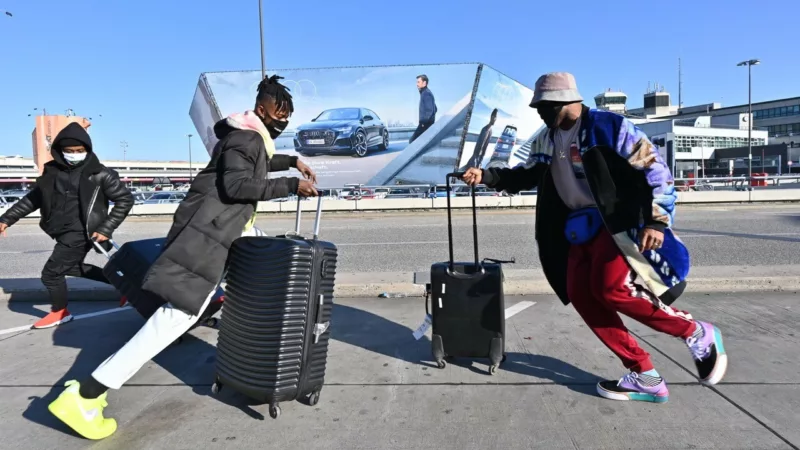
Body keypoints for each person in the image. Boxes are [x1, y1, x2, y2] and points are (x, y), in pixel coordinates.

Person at [47, 74, 319, 440]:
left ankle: (83, 392)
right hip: (204, 241)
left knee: (182, 313)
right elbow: (237, 185)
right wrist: (291, 184)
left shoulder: (246, 137)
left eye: (287, 114)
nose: (283, 121)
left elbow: (255, 164)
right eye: (278, 113)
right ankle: (88, 393)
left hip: (211, 235)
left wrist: (292, 161)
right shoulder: (247, 138)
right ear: (261, 110)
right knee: (170, 321)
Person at [461, 72, 727, 404]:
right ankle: (643, 373)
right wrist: (487, 176)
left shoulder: (609, 127)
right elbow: (528, 174)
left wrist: (656, 222)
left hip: (615, 226)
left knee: (611, 290)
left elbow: (656, 170)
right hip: (577, 228)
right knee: (581, 295)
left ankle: (695, 332)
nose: (541, 115)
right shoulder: (547, 138)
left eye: (545, 107)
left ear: (566, 101)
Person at [0, 123, 134, 329]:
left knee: (51, 273)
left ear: (87, 150)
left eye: (80, 151)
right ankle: (126, 287)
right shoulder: (51, 172)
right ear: (60, 151)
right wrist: (6, 219)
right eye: (69, 151)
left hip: (84, 231)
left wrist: (106, 228)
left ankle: (60, 311)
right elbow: (32, 199)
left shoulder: (100, 173)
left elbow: (125, 200)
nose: (75, 154)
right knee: (73, 267)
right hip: (60, 231)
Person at [409, 74, 438, 143]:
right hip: (426, 124)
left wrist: (424, 122)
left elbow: (430, 110)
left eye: (418, 82)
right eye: (417, 82)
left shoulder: (426, 93)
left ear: (424, 83)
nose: (417, 84)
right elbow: (435, 108)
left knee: (412, 141)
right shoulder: (425, 93)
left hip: (425, 124)